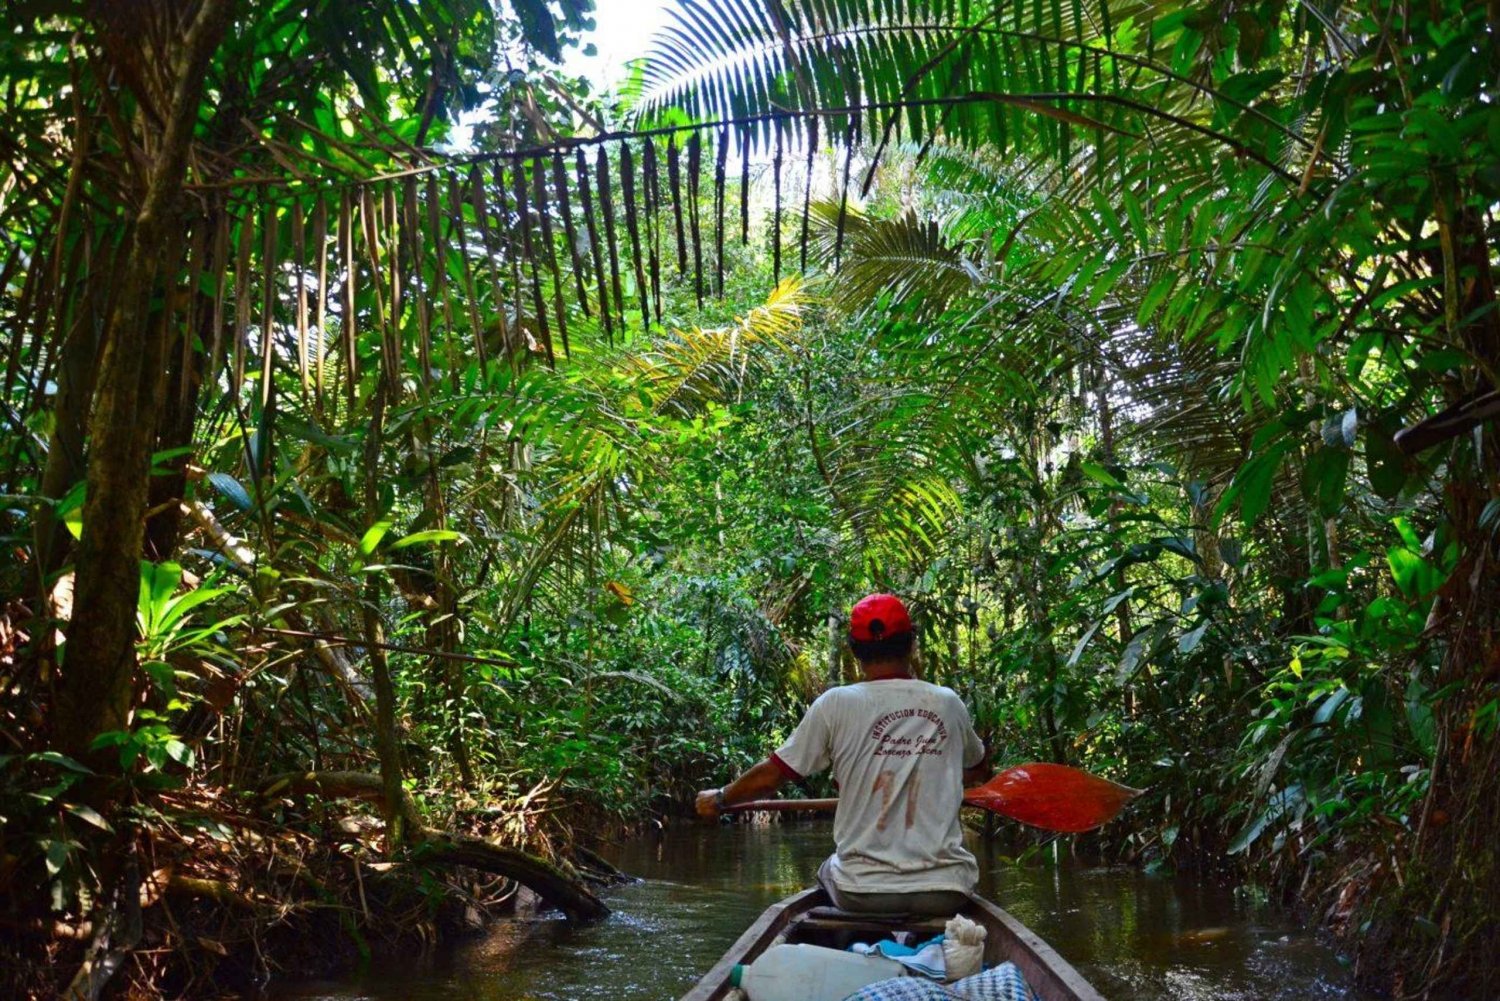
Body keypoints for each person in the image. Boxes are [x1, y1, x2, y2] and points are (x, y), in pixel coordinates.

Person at [696, 593, 989, 915]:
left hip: (861, 891)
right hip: (945, 890)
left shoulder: (835, 704)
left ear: (855, 651)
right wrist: (934, 772)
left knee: (828, 868)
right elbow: (977, 769)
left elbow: (773, 775)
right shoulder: (947, 703)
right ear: (911, 644)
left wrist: (721, 798)